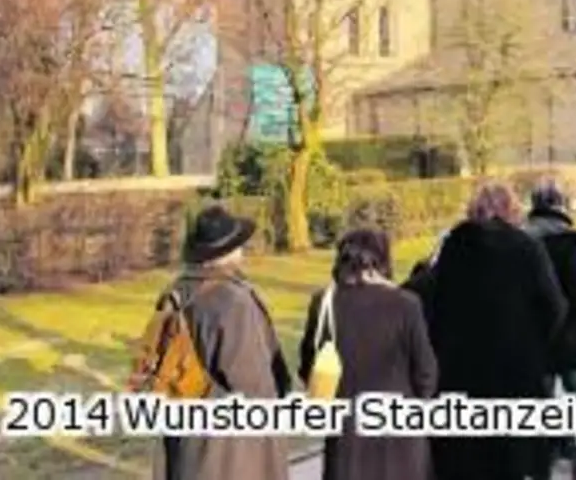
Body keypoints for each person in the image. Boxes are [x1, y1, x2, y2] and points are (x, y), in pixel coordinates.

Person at [428, 183, 569, 480]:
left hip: (462, 371)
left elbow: (433, 302)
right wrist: (536, 343)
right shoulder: (527, 248)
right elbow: (555, 306)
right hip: (517, 369)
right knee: (516, 459)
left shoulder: (453, 248)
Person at [154, 205, 294, 480]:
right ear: (229, 252)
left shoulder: (174, 293)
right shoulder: (233, 301)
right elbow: (251, 382)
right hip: (229, 451)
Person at [299, 229, 437, 480]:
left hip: (347, 437)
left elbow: (309, 366)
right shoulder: (406, 304)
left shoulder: (324, 303)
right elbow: (426, 374)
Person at [524, 181, 576, 480]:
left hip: (536, 334)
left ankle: (550, 449)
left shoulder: (522, 241)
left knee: (543, 396)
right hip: (572, 333)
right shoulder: (571, 243)